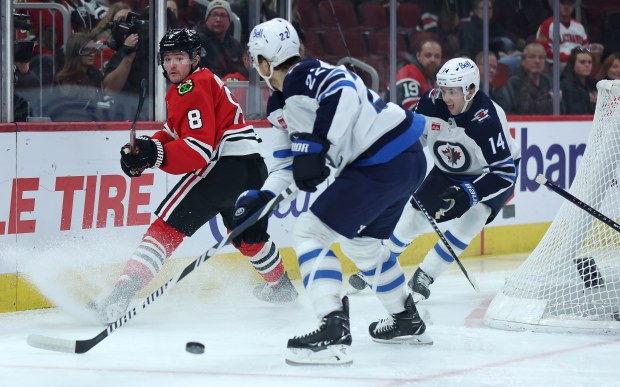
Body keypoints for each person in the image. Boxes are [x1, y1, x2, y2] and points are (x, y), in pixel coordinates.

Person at [232, 18, 432, 365]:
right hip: (404, 159)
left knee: (309, 232)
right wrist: (263, 201)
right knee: (363, 244)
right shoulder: (282, 105)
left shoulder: (302, 75)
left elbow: (343, 92)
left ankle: (333, 329)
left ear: (263, 62)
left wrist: (318, 143)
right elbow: (288, 166)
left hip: (381, 158)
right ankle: (406, 319)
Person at [92, 28, 297, 325]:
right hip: (251, 168)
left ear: (194, 59)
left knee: (164, 230)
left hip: (223, 168)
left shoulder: (192, 86)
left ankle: (119, 296)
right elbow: (179, 133)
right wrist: (146, 149)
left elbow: (199, 151)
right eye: (168, 58)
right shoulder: (200, 82)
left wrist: (154, 155)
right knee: (246, 236)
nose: (173, 65)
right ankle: (282, 287)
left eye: (179, 58)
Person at [349, 57, 520, 305]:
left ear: (470, 90)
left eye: (453, 91)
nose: (446, 97)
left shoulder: (487, 120)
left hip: (489, 174)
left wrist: (469, 194)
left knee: (471, 220)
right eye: (443, 89)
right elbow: (414, 137)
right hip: (448, 169)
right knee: (413, 218)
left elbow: (503, 173)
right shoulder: (432, 101)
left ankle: (425, 275)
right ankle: (377, 265)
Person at [52, 32, 108, 121]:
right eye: (86, 50)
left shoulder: (96, 75)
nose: (92, 54)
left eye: (93, 50)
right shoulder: (62, 80)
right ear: (75, 52)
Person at [493, 43, 554, 115]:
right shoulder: (515, 80)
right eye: (532, 57)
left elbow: (561, 108)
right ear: (523, 61)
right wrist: (550, 97)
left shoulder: (547, 81)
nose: (537, 61)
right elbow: (527, 109)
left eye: (541, 57)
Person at [536, 0, 600, 68]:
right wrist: (570, 58)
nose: (566, 7)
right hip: (557, 65)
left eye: (570, 4)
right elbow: (543, 50)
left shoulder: (579, 26)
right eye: (563, 3)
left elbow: (585, 47)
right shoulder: (546, 25)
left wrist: (592, 48)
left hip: (579, 62)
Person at [193, 0, 246, 78]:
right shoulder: (197, 41)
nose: (218, 19)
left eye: (223, 15)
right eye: (214, 15)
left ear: (229, 21)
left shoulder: (235, 44)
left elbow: (242, 71)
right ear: (207, 19)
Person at [395, 39, 442, 110]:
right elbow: (412, 109)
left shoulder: (432, 76)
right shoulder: (409, 72)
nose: (433, 60)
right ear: (418, 56)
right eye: (428, 55)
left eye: (437, 56)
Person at [560, 47, 597, 114]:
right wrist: (590, 101)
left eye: (590, 62)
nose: (587, 65)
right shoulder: (567, 85)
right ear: (572, 64)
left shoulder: (594, 84)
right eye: (582, 62)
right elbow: (576, 112)